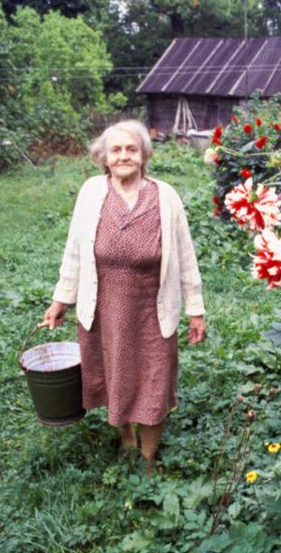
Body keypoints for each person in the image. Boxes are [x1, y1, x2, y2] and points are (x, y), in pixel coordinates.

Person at [40, 120, 206, 475]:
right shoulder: (90, 193)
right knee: (114, 375)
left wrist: (196, 310)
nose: (124, 156)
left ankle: (148, 458)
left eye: (132, 149)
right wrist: (60, 301)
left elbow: (185, 256)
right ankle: (126, 437)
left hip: (152, 308)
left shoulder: (166, 197)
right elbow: (73, 252)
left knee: (154, 381)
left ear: (145, 154)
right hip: (105, 309)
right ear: (104, 158)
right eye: (115, 150)